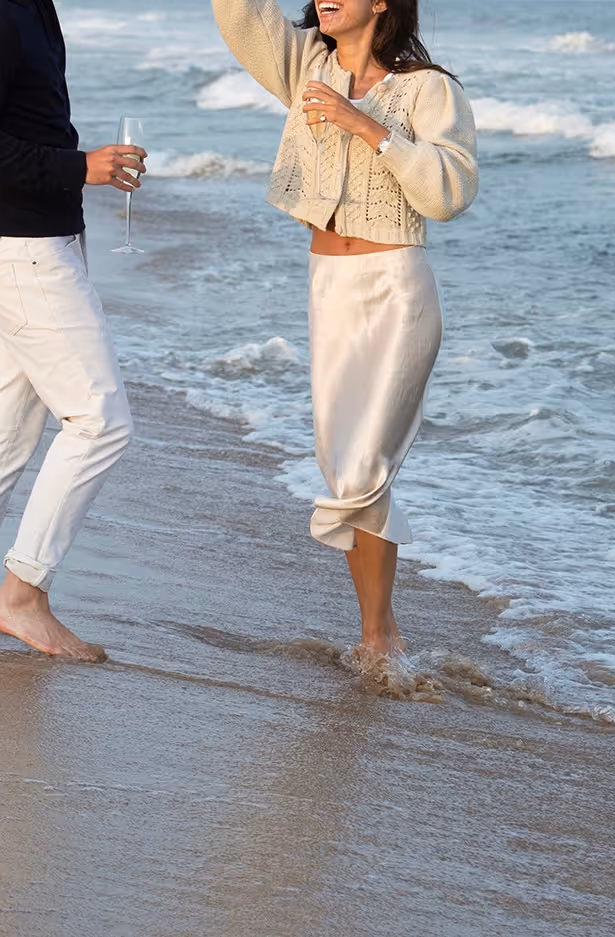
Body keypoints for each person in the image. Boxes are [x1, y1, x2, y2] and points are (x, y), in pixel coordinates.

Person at [212, 0, 478, 658]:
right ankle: (377, 633)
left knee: (365, 467)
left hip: (394, 292)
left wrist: (369, 127)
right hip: (327, 289)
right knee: (346, 475)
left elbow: (449, 193)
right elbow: (238, 14)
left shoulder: (428, 88)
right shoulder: (306, 64)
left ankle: (376, 637)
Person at [0, 0, 147, 662]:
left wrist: (74, 173)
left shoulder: (29, 8)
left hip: (28, 245)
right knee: (101, 421)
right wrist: (78, 167)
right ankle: (22, 594)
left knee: (2, 431)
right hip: (21, 254)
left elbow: (25, 119)